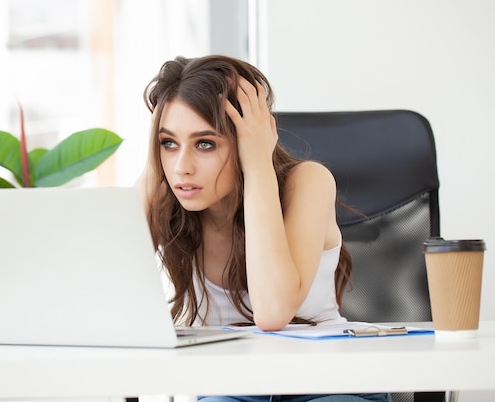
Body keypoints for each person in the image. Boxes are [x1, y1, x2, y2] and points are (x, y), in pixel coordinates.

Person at [135, 54, 392, 402]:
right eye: (169, 143)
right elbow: (104, 293)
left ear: (248, 138)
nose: (182, 167)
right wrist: (155, 160)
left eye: (205, 143)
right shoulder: (171, 195)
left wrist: (257, 165)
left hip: (327, 383)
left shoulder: (308, 182)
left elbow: (272, 313)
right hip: (234, 389)